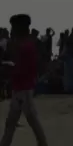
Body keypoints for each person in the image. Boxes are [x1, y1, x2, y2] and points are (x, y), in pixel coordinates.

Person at [0, 14, 49, 146]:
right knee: (20, 121)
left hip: (23, 88)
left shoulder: (25, 46)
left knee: (22, 121)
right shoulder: (26, 44)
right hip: (22, 88)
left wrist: (8, 70)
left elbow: (24, 69)